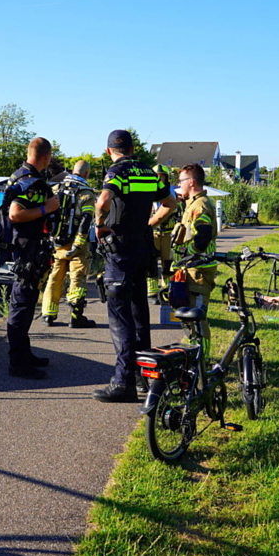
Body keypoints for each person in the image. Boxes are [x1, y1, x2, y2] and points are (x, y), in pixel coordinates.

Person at [92, 130, 176, 403]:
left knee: (120, 316)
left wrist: (99, 225)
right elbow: (170, 203)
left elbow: (104, 201)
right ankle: (143, 376)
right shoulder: (149, 173)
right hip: (142, 247)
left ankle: (123, 382)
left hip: (120, 250)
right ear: (132, 148)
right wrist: (150, 224)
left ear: (109, 151)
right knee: (140, 312)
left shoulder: (117, 171)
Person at [4, 137, 60, 379]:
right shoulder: (31, 182)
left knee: (25, 306)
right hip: (27, 251)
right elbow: (15, 214)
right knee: (21, 307)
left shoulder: (18, 175)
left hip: (25, 249)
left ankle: (25, 354)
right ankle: (18, 363)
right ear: (46, 157)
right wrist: (47, 208)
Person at [160, 163, 219, 349]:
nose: (179, 185)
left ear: (191, 182)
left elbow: (203, 235)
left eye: (181, 181)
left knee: (197, 317)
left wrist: (188, 254)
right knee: (188, 317)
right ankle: (195, 353)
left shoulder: (199, 205)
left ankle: (203, 359)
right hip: (191, 270)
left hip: (198, 271)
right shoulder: (192, 203)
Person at [42, 160, 97, 328]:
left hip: (57, 243)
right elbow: (87, 219)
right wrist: (79, 244)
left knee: (54, 277)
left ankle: (48, 315)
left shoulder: (56, 189)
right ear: (86, 174)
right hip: (76, 245)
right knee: (77, 278)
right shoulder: (86, 193)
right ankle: (76, 317)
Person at [146, 164, 180, 304]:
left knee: (168, 263)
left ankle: (167, 290)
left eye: (162, 176)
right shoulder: (147, 190)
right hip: (152, 233)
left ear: (167, 177)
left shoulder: (173, 192)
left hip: (168, 234)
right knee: (151, 263)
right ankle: (152, 292)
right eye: (157, 176)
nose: (159, 178)